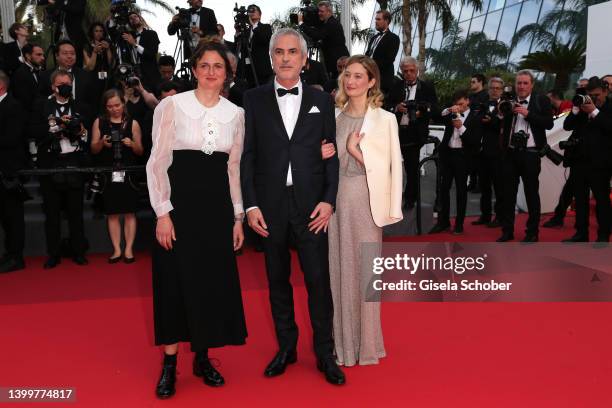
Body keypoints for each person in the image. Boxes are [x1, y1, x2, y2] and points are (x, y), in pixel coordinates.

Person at [241, 27, 344, 385]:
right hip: (269, 207)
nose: (285, 58)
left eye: (291, 52)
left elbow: (331, 157)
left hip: (311, 206)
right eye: (279, 52)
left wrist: (329, 202)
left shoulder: (323, 101)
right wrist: (250, 206)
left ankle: (325, 353)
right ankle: (286, 348)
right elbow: (247, 157)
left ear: (304, 59)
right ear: (271, 58)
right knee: (277, 281)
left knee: (318, 282)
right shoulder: (252, 100)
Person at [147, 40, 247, 399]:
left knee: (210, 285)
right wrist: (163, 212)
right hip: (179, 211)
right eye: (204, 65)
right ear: (194, 68)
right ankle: (170, 365)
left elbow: (233, 168)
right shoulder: (171, 105)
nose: (210, 72)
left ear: (227, 73)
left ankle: (203, 358)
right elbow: (157, 163)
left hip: (217, 212)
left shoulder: (236, 114)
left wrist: (238, 215)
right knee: (173, 284)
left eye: (217, 66)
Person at [328, 55, 402, 366]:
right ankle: (343, 346)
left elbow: (392, 167)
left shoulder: (385, 119)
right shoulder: (334, 118)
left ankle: (368, 346)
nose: (351, 81)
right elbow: (327, 166)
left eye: (359, 76)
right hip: (336, 203)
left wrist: (355, 152)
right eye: (348, 75)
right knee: (339, 272)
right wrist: (325, 155)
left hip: (367, 201)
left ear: (371, 82)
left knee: (367, 276)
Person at [30, 69, 91, 268]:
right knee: (52, 212)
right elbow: (33, 131)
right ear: (53, 86)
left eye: (68, 83)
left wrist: (78, 129)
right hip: (50, 164)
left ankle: (79, 251)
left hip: (74, 163)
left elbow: (86, 133)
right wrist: (54, 129)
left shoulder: (80, 106)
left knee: (76, 211)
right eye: (60, 83)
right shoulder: (41, 106)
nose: (64, 86)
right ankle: (53, 253)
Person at [497, 70, 554, 243]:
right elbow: (498, 120)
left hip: (530, 154)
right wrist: (503, 111)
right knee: (508, 194)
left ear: (532, 85)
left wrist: (528, 114)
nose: (521, 86)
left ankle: (532, 232)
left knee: (531, 194)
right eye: (519, 83)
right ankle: (507, 231)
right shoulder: (508, 100)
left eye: (525, 83)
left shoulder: (540, 100)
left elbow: (549, 123)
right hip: (511, 153)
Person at [90, 89, 144, 262]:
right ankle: (116, 250)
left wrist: (132, 144)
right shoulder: (99, 122)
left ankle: (128, 249)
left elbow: (141, 151)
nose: (114, 109)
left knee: (130, 213)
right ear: (105, 107)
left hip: (128, 173)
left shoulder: (133, 123)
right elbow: (93, 149)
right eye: (110, 106)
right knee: (112, 214)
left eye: (117, 105)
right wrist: (101, 143)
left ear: (123, 103)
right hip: (108, 173)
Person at [560, 77, 612, 242]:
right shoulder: (583, 106)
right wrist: (575, 110)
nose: (593, 98)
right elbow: (567, 126)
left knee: (602, 201)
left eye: (596, 95)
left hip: (601, 164)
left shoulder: (609, 107)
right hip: (579, 161)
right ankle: (581, 233)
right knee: (580, 200)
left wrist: (594, 112)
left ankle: (603, 236)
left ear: (605, 91)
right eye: (590, 95)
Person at [386, 56, 440, 210]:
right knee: (391, 168)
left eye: (412, 71)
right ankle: (391, 196)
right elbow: (385, 104)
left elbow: (435, 108)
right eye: (405, 71)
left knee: (411, 168)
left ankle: (410, 198)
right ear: (402, 72)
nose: (409, 74)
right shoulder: (396, 86)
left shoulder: (427, 87)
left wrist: (421, 111)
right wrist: (397, 108)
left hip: (415, 134)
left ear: (417, 71)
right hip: (395, 133)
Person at [430, 89, 482, 234]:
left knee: (461, 191)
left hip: (463, 157)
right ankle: (443, 222)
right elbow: (437, 115)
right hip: (447, 155)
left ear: (467, 101)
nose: (459, 106)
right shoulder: (450, 113)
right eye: (456, 104)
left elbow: (475, 141)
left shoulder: (476, 117)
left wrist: (461, 127)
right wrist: (449, 109)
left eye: (461, 103)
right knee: (443, 189)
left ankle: (459, 224)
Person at [0, 71, 27, 273]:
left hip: (9, 172)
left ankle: (16, 256)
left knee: (12, 217)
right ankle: (8, 254)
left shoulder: (14, 106)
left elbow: (12, 138)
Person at [473, 77, 504, 228]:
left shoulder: (505, 106)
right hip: (482, 152)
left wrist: (491, 121)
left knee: (499, 187)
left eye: (498, 88)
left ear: (502, 90)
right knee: (484, 187)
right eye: (492, 88)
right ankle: (485, 215)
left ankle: (499, 217)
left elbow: (503, 126)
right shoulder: (482, 105)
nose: (494, 90)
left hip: (498, 153)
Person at [299, 1, 349, 79]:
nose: (319, 13)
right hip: (333, 62)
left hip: (339, 63)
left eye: (321, 11)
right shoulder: (326, 23)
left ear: (329, 12)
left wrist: (301, 23)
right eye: (318, 11)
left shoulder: (332, 23)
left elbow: (317, 35)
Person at [39, 40, 95, 110]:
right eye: (65, 53)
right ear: (57, 56)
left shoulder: (86, 76)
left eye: (72, 53)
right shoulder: (45, 76)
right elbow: (39, 100)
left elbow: (92, 102)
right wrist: (51, 98)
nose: (69, 56)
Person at [236, 4, 273, 88]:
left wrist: (253, 26)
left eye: (253, 10)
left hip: (262, 70)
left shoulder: (266, 27)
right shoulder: (246, 31)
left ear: (260, 15)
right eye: (249, 11)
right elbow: (238, 47)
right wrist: (237, 32)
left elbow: (264, 39)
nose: (251, 13)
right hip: (248, 72)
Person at [365, 10, 399, 94]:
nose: (376, 22)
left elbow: (389, 59)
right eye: (375, 19)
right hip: (369, 79)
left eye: (378, 19)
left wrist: (371, 67)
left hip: (382, 80)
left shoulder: (393, 38)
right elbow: (368, 54)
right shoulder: (374, 38)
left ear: (386, 21)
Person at [45, 0, 87, 66]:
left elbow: (76, 10)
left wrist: (57, 3)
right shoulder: (61, 1)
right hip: (60, 35)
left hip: (74, 36)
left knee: (76, 62)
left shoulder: (79, 1)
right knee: (60, 62)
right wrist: (51, 6)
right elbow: (54, 15)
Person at [83, 22, 114, 106]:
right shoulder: (87, 46)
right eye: (96, 31)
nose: (99, 33)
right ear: (92, 33)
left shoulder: (108, 45)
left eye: (101, 31)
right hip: (93, 80)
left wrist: (108, 50)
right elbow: (90, 67)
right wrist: (94, 52)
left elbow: (111, 64)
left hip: (107, 80)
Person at [10, 44, 45, 114]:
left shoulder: (40, 71)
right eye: (39, 55)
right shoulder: (19, 74)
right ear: (28, 56)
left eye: (42, 55)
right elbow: (24, 101)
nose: (43, 58)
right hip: (28, 118)